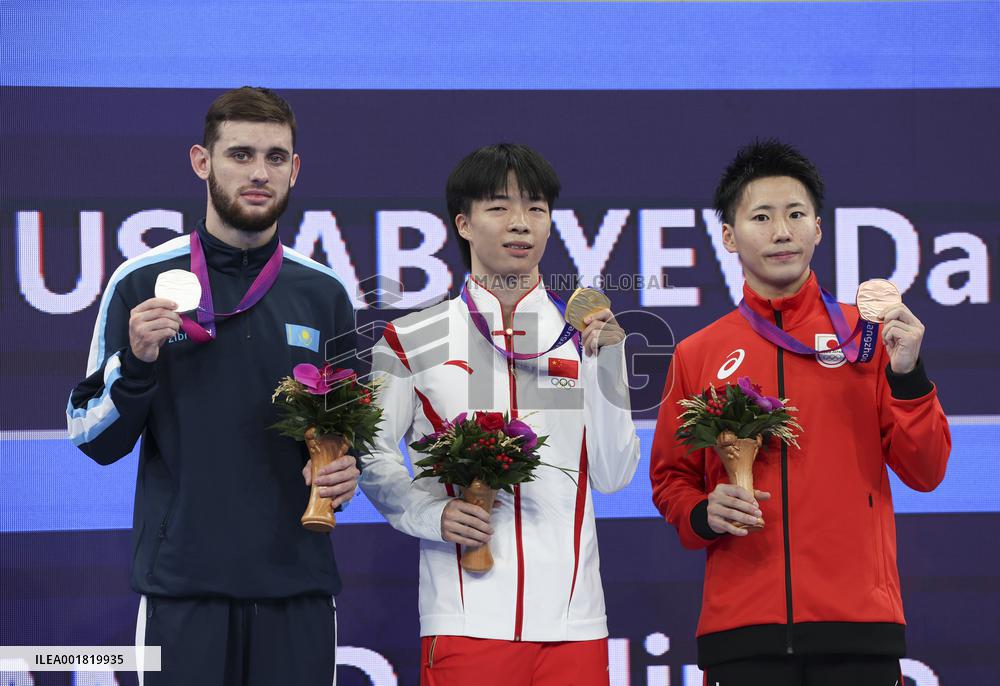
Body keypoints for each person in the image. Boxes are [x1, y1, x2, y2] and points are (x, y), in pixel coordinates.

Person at [66, 87, 359, 686]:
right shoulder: (140, 281)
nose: (259, 173)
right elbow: (92, 437)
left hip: (297, 586)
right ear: (202, 162)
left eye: (276, 157)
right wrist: (138, 362)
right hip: (184, 589)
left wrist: (344, 470)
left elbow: (353, 431)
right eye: (240, 154)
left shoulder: (324, 292)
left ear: (295, 169)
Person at [649, 139, 951, 685]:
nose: (781, 232)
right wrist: (701, 512)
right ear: (729, 236)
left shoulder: (869, 337)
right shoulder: (698, 354)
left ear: (818, 228)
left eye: (795, 214)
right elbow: (671, 478)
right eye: (761, 217)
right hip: (742, 632)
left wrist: (909, 375)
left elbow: (926, 471)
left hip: (858, 626)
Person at [359, 143, 640, 685]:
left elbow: (612, 474)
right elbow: (371, 452)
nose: (520, 223)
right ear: (463, 224)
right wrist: (428, 513)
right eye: (498, 207)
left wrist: (609, 361)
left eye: (536, 208)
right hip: (465, 617)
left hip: (574, 622)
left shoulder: (583, 338)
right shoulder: (412, 339)